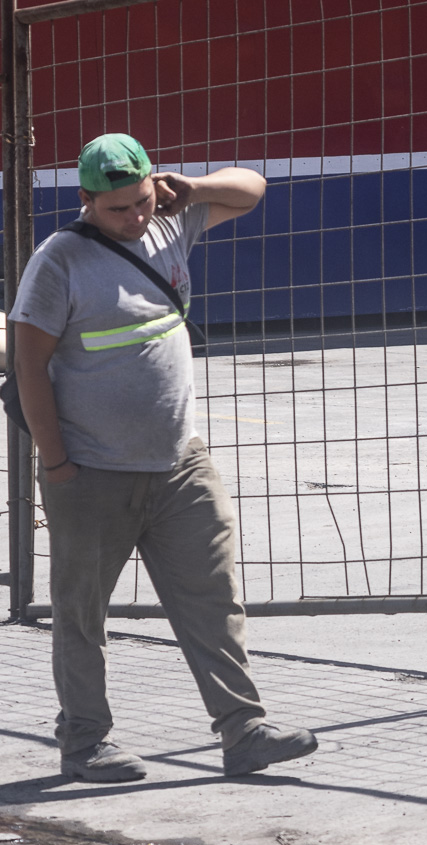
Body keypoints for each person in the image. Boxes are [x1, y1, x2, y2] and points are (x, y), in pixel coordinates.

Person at [11, 133, 317, 782]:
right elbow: (29, 367)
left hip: (179, 464)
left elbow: (253, 188)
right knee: (82, 612)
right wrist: (57, 462)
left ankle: (244, 730)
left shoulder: (170, 223)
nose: (136, 218)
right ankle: (86, 741)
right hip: (91, 472)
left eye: (143, 201)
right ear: (87, 200)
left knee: (212, 599)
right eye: (118, 208)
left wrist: (195, 190)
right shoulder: (59, 261)